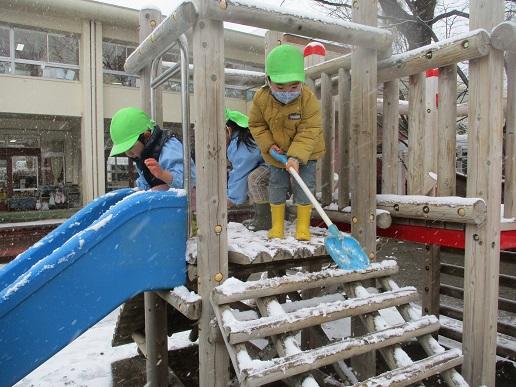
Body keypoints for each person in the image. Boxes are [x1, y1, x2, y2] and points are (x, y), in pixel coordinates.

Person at [249, 44, 325, 241]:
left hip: (306, 152)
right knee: (276, 185)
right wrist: (268, 144)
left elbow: (309, 130)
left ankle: (302, 226)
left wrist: (296, 156)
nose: (287, 92)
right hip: (277, 152)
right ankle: (277, 226)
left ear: (301, 81)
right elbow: (256, 124)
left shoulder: (308, 99)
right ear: (268, 80)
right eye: (280, 87)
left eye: (294, 86)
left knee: (304, 186)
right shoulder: (261, 98)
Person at [109, 107, 195, 191]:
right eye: (124, 151)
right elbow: (146, 181)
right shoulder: (143, 154)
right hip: (166, 202)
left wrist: (162, 174)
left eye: (130, 147)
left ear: (146, 136)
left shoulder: (169, 147)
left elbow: (189, 180)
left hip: (189, 202)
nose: (128, 154)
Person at [225, 108, 271, 231]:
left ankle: (264, 219)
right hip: (269, 164)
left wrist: (231, 199)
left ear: (228, 130)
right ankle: (260, 216)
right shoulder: (241, 139)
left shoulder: (243, 143)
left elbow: (240, 171)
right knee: (251, 180)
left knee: (254, 179)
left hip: (276, 165)